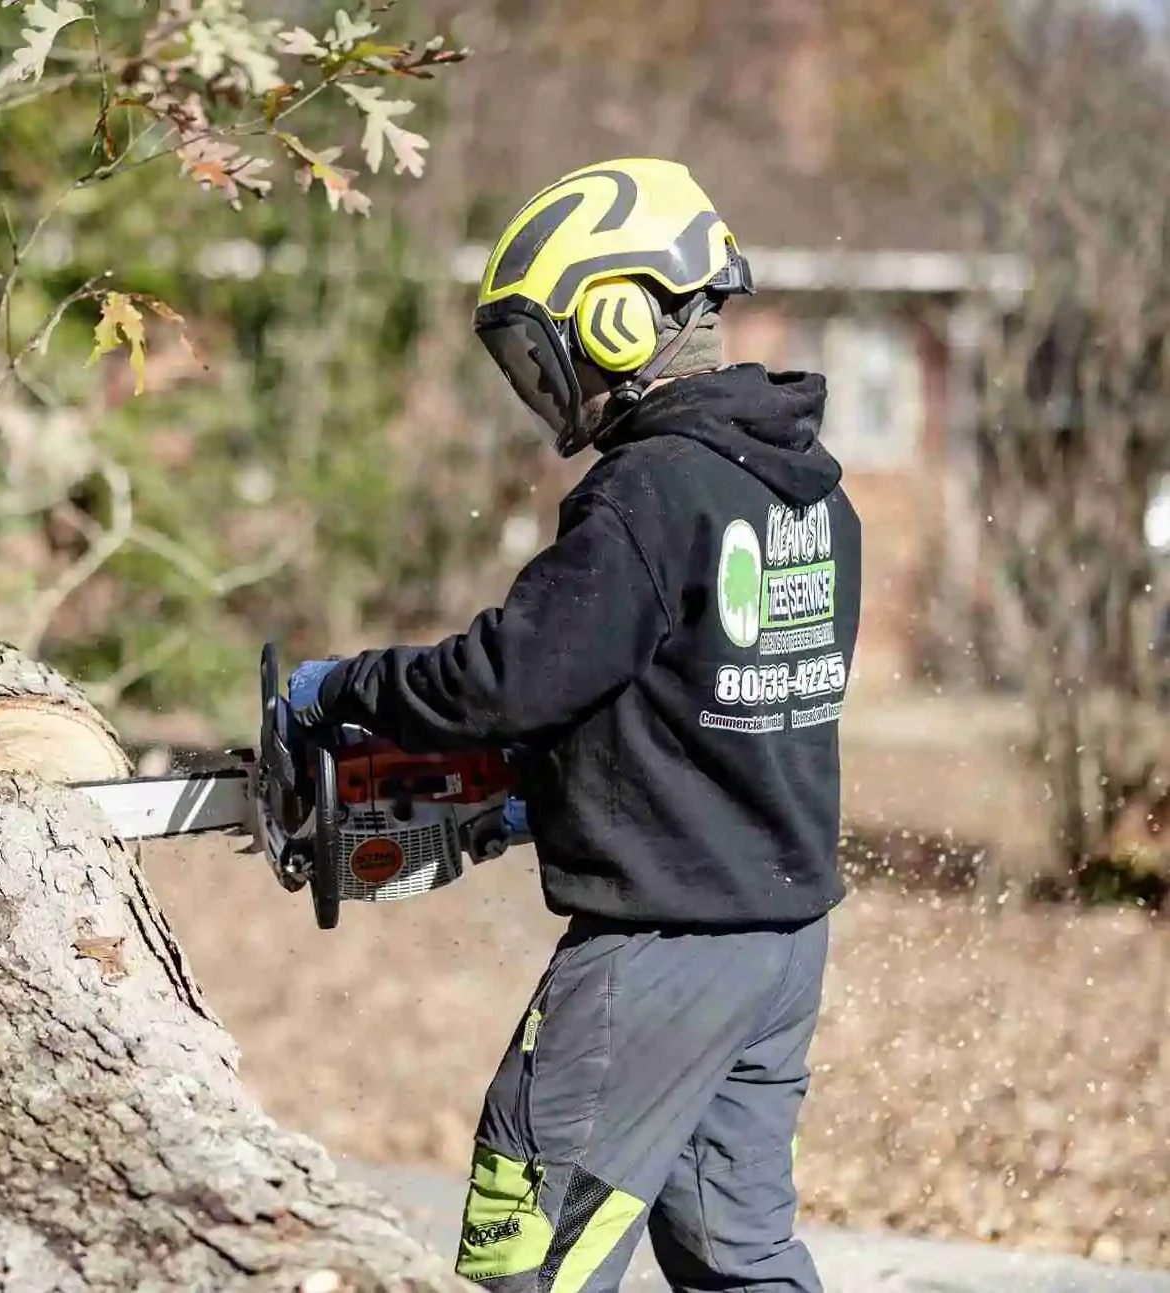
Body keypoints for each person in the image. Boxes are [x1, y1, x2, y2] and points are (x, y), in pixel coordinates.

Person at [285, 157, 862, 1293]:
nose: (540, 389)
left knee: (523, 1255)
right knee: (739, 1257)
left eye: (538, 358)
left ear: (612, 317)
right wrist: (528, 791)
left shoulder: (651, 491)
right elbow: (686, 704)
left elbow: (508, 680)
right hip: (778, 942)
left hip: (657, 951)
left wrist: (342, 691)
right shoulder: (804, 490)